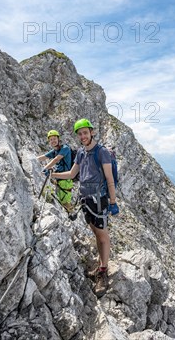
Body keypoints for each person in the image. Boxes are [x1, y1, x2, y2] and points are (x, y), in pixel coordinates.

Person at [51, 118, 118, 298]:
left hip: (99, 200)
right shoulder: (81, 152)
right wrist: (53, 174)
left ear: (91, 132)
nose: (83, 136)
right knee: (97, 234)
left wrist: (113, 202)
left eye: (85, 133)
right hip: (86, 199)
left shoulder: (101, 152)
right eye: (80, 134)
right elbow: (73, 174)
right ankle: (100, 266)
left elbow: (110, 179)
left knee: (103, 236)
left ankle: (103, 273)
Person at [37, 130, 74, 212]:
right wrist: (31, 159)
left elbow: (56, 160)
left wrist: (44, 169)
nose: (53, 141)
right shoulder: (54, 151)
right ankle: (68, 215)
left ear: (58, 139)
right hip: (59, 179)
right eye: (50, 139)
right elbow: (43, 157)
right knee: (61, 202)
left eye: (54, 138)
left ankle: (72, 217)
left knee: (65, 203)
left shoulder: (65, 148)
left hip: (66, 180)